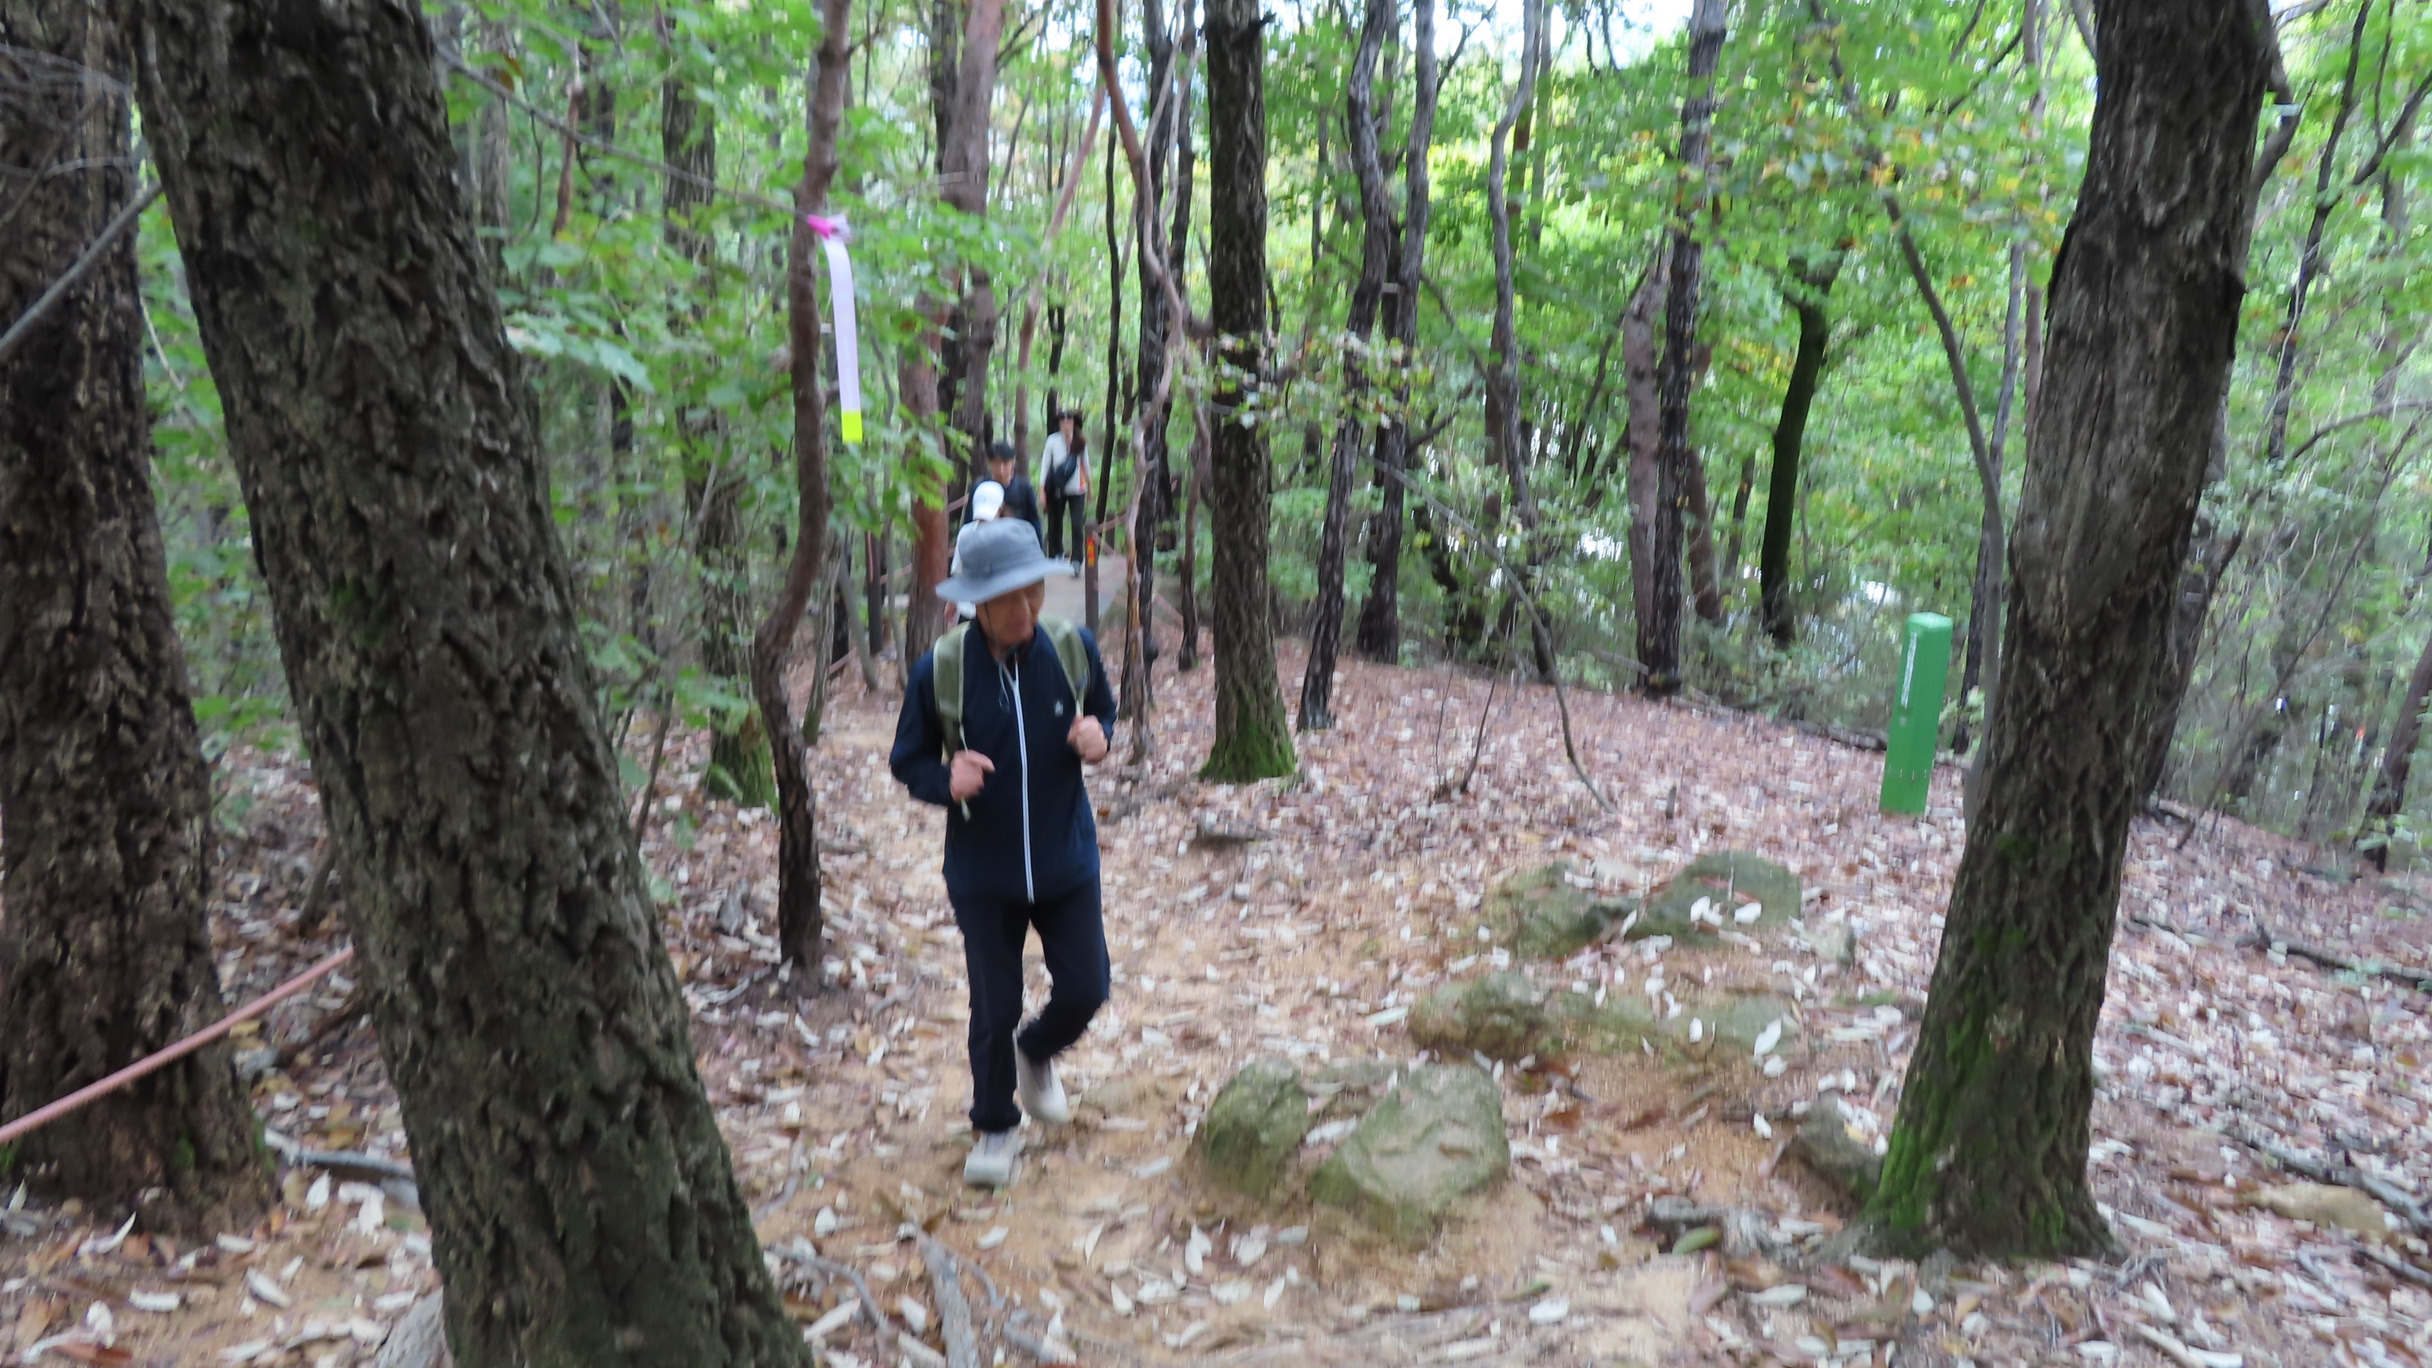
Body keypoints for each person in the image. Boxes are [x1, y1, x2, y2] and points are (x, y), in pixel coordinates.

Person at [889, 518, 1117, 1188]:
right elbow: (907, 761)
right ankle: (994, 1125)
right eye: (1008, 597)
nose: (1025, 608)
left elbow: (1105, 711)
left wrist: (1099, 737)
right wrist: (945, 780)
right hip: (983, 874)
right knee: (994, 1007)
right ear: (976, 603)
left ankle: (1036, 1051)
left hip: (1066, 860)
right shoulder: (941, 671)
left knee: (1087, 987)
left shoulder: (1071, 648)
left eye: (1033, 591)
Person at [949, 480, 1005, 621]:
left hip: (996, 612)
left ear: (1000, 509)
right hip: (968, 610)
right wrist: (952, 601)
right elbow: (958, 570)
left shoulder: (1006, 537)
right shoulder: (965, 534)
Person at [1042, 410, 1089, 560]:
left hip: (1077, 490)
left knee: (1077, 524)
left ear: (1074, 423)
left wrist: (1090, 487)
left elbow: (1085, 464)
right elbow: (1045, 465)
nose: (1066, 424)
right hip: (1057, 489)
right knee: (1055, 523)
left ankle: (1077, 559)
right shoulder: (1052, 441)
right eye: (1062, 421)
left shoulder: (1080, 442)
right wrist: (1042, 491)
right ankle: (1056, 554)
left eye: (1069, 421)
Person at [985, 441, 1043, 543]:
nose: (1001, 469)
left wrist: (1037, 548)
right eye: (996, 463)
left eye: (1005, 463)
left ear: (1013, 462)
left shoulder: (1024, 489)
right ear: (989, 463)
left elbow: (1034, 522)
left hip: (1018, 543)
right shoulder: (982, 489)